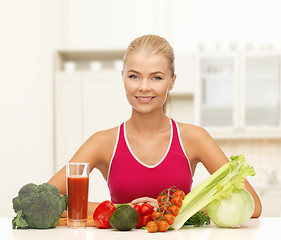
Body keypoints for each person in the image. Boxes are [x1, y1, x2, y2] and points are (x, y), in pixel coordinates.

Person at [48, 34, 262, 218]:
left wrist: (172, 210)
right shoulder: (103, 142)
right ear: (122, 78)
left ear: (172, 81)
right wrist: (122, 210)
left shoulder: (193, 138)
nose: (144, 87)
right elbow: (48, 200)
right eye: (134, 76)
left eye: (156, 77)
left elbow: (252, 204)